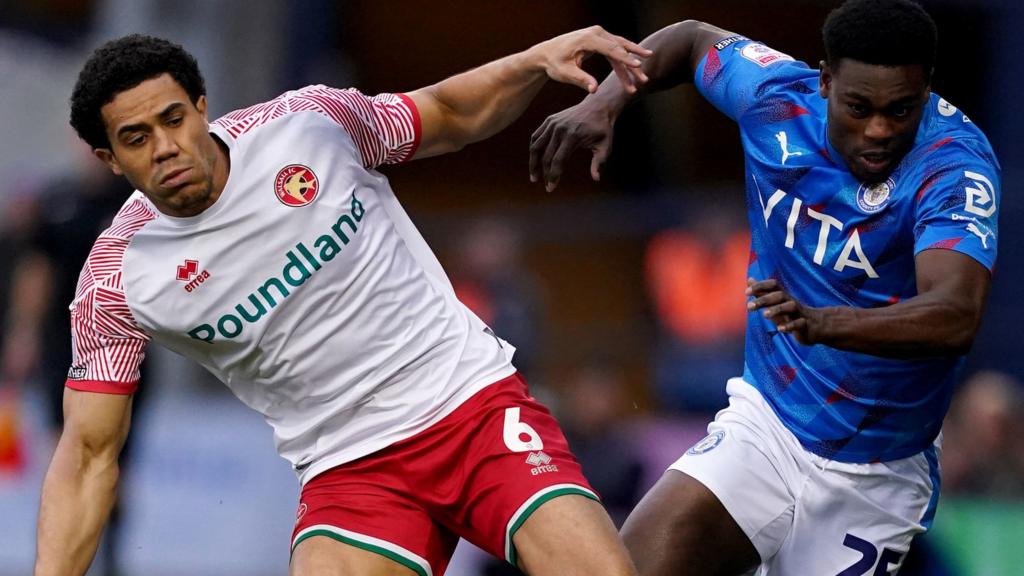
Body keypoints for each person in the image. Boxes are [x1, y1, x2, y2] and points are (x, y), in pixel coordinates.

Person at [34, 30, 652, 576]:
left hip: (471, 407)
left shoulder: (307, 125)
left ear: (202, 107)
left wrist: (532, 61)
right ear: (109, 159)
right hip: (348, 469)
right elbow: (88, 456)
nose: (165, 147)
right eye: (136, 138)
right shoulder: (116, 280)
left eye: (174, 119)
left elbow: (445, 112)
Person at [530, 0, 1000, 574]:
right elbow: (692, 39)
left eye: (900, 110)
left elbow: (955, 313)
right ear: (825, 81)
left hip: (874, 477)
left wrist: (826, 323)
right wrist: (606, 102)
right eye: (859, 107)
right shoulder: (775, 95)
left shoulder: (954, 165)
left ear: (925, 91)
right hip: (766, 426)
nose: (878, 130)